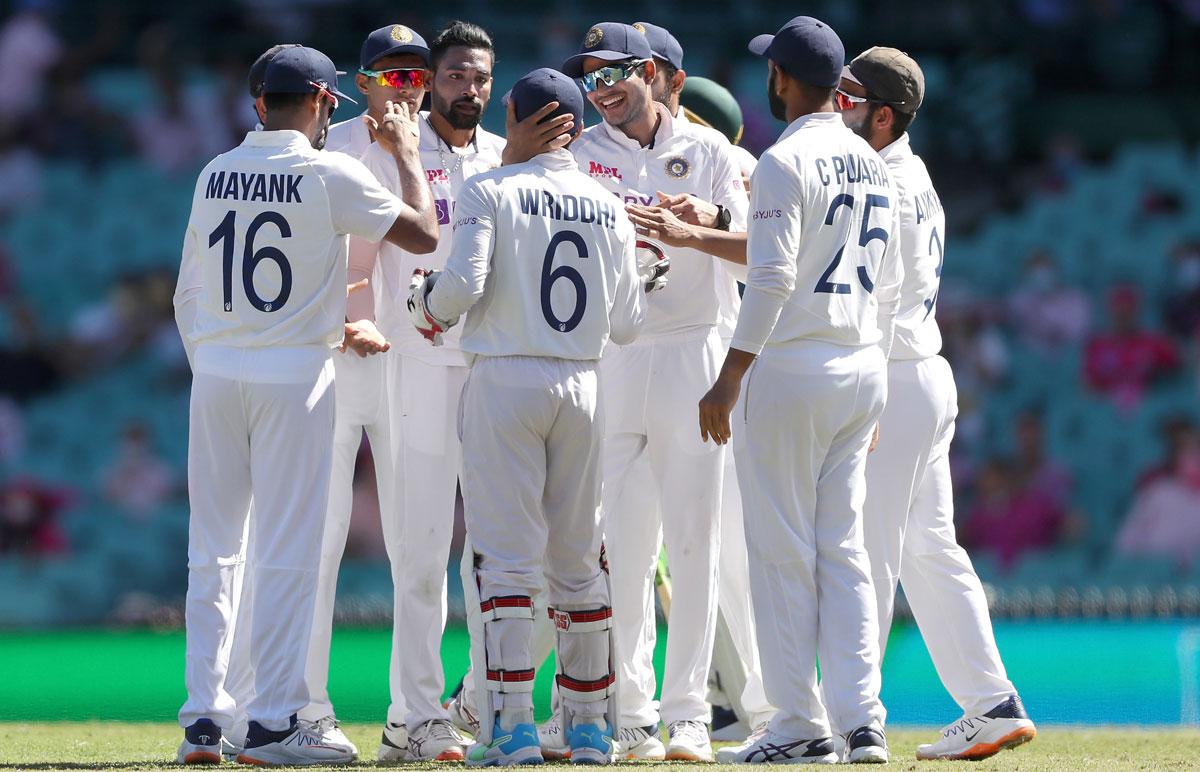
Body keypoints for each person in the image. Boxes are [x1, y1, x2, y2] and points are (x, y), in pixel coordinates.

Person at [171, 45, 437, 766]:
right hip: (296, 374)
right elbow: (424, 233)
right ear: (322, 102)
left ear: (261, 104)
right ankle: (274, 721)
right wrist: (409, 153)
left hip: (219, 370)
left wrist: (220, 359)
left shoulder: (215, 172)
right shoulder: (328, 171)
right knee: (286, 550)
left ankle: (204, 719)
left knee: (214, 550)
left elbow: (187, 294)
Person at [409, 66, 649, 766]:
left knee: (507, 563)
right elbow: (631, 323)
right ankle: (591, 730)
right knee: (580, 562)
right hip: (583, 381)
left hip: (505, 379)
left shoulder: (489, 187)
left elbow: (463, 286)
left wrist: (422, 305)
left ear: (518, 118)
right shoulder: (606, 202)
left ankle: (510, 728)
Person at [696, 16, 901, 764]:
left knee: (780, 552)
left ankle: (795, 726)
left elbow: (773, 277)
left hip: (793, 368)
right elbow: (894, 282)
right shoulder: (874, 161)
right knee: (842, 551)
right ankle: (863, 722)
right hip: (860, 363)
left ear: (781, 78)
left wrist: (728, 376)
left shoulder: (785, 161)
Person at [836, 46, 1037, 760]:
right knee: (927, 548)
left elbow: (863, 295)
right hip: (923, 372)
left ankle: (851, 722)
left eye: (848, 98)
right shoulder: (912, 170)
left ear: (882, 116)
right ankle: (992, 701)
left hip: (890, 374)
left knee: (869, 554)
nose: (837, 107)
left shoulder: (877, 181)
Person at [561, 21, 749, 762]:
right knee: (622, 549)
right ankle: (633, 715)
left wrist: (712, 220)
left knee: (695, 542)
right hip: (612, 355)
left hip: (691, 351)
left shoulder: (710, 152)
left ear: (652, 72)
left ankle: (691, 716)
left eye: (613, 74)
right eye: (591, 78)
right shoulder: (579, 156)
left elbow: (756, 249)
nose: (601, 90)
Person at [294, 23, 444, 762]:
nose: (406, 89)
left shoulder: (456, 150)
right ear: (363, 84)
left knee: (418, 550)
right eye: (391, 76)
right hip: (337, 360)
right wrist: (347, 317)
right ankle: (307, 708)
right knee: (317, 544)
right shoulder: (331, 149)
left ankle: (416, 714)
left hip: (420, 364)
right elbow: (318, 254)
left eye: (417, 75)